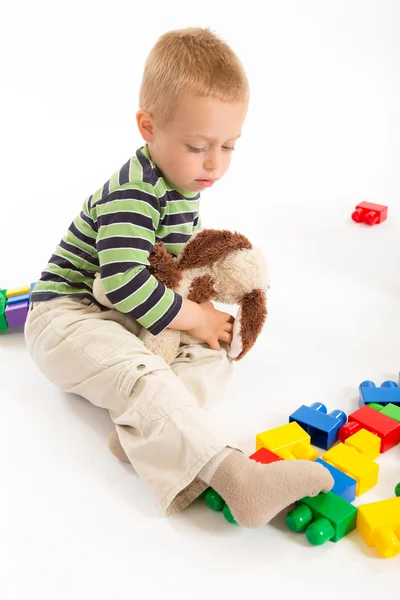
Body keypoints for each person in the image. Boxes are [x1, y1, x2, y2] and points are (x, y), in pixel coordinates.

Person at [24, 27, 333, 527]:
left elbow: (177, 269)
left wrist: (206, 317)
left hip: (128, 314)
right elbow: (124, 283)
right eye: (198, 146)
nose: (215, 163)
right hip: (69, 314)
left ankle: (145, 431)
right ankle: (237, 479)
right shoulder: (135, 192)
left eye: (229, 146)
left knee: (213, 359)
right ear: (148, 127)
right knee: (139, 370)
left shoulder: (185, 181)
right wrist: (194, 316)